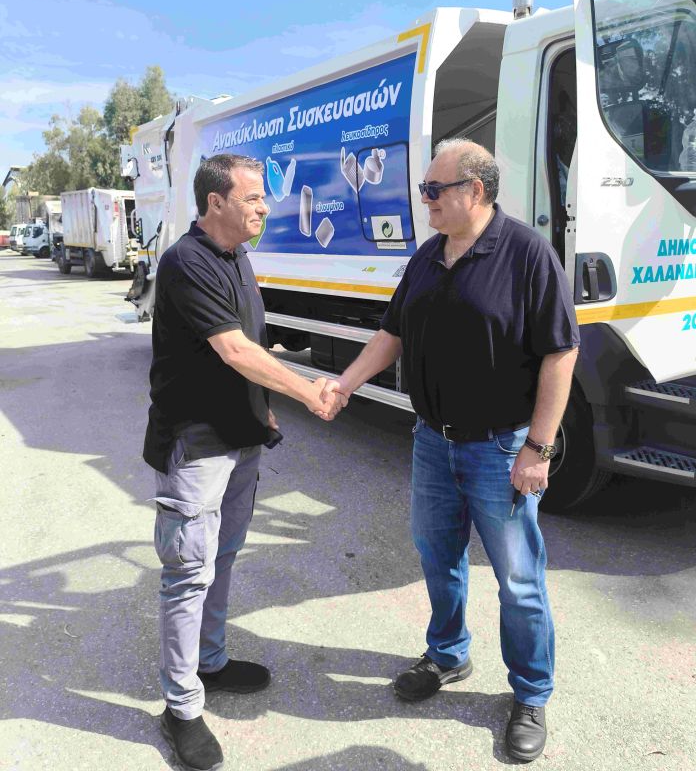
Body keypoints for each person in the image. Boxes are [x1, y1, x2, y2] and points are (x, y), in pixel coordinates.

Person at [324, 139, 579, 763]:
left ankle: (530, 694)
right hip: (433, 443)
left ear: (476, 190)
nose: (425, 199)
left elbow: (560, 352)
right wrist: (345, 383)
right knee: (438, 559)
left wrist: (538, 448)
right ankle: (447, 655)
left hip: (501, 448)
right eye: (424, 189)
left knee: (518, 580)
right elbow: (391, 332)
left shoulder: (527, 254)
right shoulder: (428, 256)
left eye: (434, 190)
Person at [143, 153, 338, 771]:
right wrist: (307, 392)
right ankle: (181, 708)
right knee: (187, 573)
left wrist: (263, 409)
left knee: (222, 556)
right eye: (253, 197)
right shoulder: (187, 261)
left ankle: (211, 660)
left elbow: (249, 341)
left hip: (240, 438)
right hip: (196, 446)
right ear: (216, 202)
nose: (264, 206)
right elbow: (232, 350)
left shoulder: (237, 256)